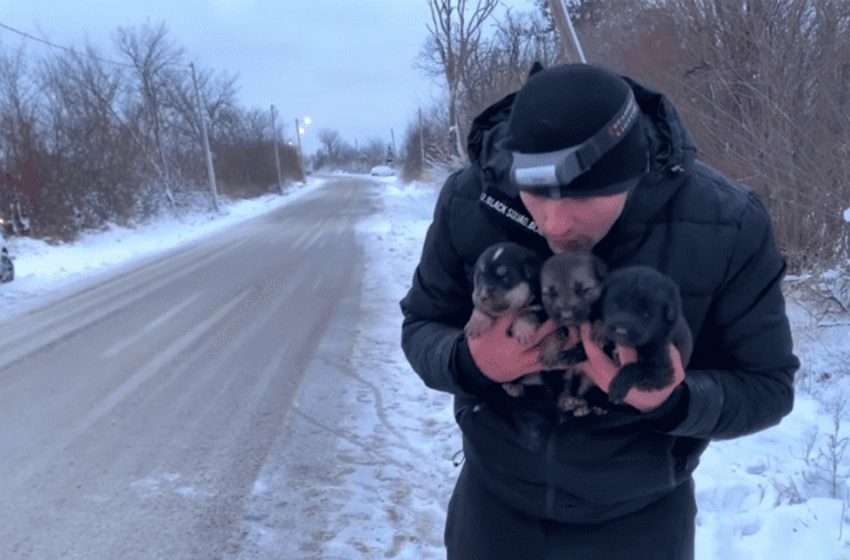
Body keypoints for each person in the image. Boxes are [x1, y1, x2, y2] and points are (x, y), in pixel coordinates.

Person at [399, 63, 799, 559]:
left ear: (634, 171)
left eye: (584, 196)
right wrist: (469, 362)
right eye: (537, 195)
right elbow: (421, 326)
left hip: (640, 522)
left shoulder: (726, 225)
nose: (556, 221)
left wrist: (674, 401)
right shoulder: (471, 200)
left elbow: (769, 386)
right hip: (494, 510)